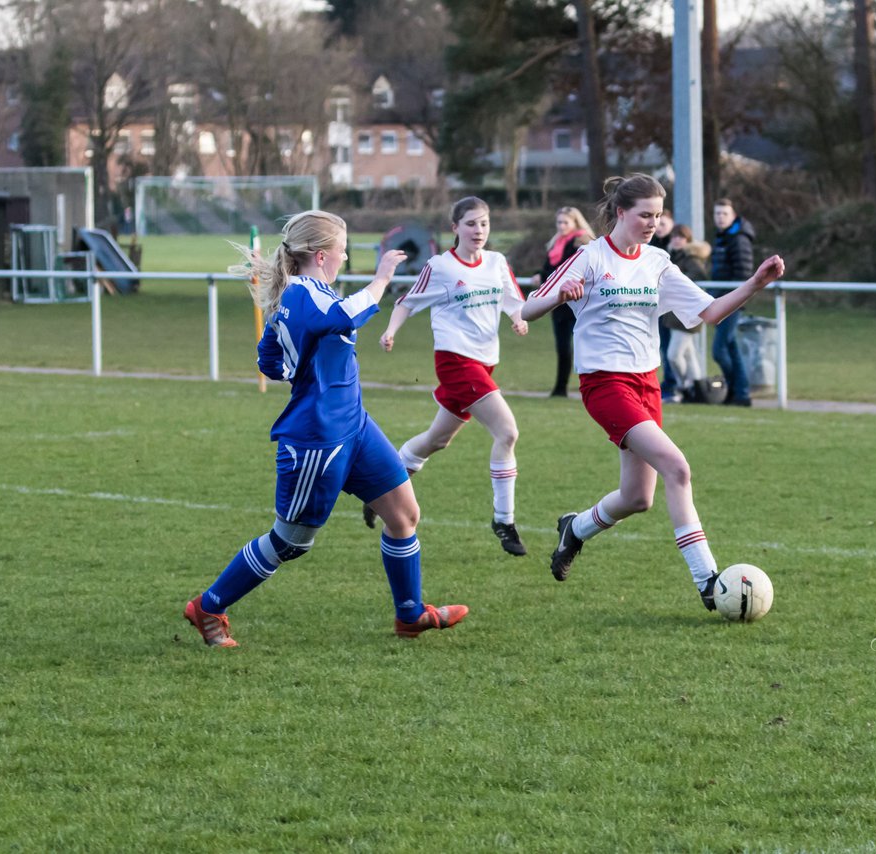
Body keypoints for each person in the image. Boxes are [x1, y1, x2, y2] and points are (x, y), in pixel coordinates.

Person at [182, 210, 468, 648]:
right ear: (321, 255)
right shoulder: (300, 295)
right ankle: (209, 605)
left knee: (404, 515)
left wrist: (295, 359)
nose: (345, 255)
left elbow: (270, 360)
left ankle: (409, 615)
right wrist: (382, 278)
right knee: (290, 541)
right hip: (318, 438)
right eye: (342, 248)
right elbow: (342, 318)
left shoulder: (311, 293)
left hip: (354, 427)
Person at [520, 174, 785, 611]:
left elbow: (708, 313)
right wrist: (557, 297)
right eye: (644, 214)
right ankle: (708, 582)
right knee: (677, 468)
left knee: (637, 498)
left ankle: (575, 529)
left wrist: (754, 284)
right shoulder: (588, 257)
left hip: (647, 384)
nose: (652, 223)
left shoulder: (658, 262)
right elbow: (528, 308)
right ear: (621, 212)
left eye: (658, 216)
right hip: (605, 384)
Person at [368, 197, 531, 558]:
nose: (479, 231)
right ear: (455, 227)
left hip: (486, 362)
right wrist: (391, 331)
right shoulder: (440, 266)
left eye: (484, 223)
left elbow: (513, 300)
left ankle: (380, 490)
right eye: (471, 224)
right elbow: (408, 301)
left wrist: (518, 319)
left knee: (437, 440)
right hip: (456, 361)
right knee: (508, 431)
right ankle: (504, 521)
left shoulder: (496, 262)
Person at [529, 207, 595, 398]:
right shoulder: (556, 243)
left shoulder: (582, 242)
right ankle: (561, 387)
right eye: (559, 222)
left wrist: (546, 276)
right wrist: (540, 274)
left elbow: (567, 271)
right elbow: (550, 269)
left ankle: (590, 385)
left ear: (576, 223)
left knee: (585, 345)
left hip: (578, 300)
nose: (562, 226)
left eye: (566, 222)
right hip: (558, 302)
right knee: (562, 346)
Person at [710, 198, 757, 406]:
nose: (720, 218)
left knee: (719, 350)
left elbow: (743, 274)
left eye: (724, 214)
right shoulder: (723, 237)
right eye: (717, 214)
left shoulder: (738, 239)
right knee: (730, 347)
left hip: (731, 302)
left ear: (733, 216)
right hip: (723, 299)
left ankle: (737, 387)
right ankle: (740, 393)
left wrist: (730, 299)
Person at [665, 223, 711, 402]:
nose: (677, 240)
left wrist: (676, 283)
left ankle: (684, 387)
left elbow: (699, 276)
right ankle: (699, 392)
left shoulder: (691, 258)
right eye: (674, 236)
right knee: (689, 356)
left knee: (674, 355)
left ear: (688, 240)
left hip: (688, 315)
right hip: (676, 315)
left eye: (681, 237)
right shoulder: (674, 257)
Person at [649, 211, 678, 398]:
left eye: (662, 222)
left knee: (673, 350)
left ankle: (674, 383)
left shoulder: (674, 247)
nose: (658, 226)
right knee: (664, 347)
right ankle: (671, 383)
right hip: (655, 304)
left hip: (672, 307)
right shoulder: (650, 246)